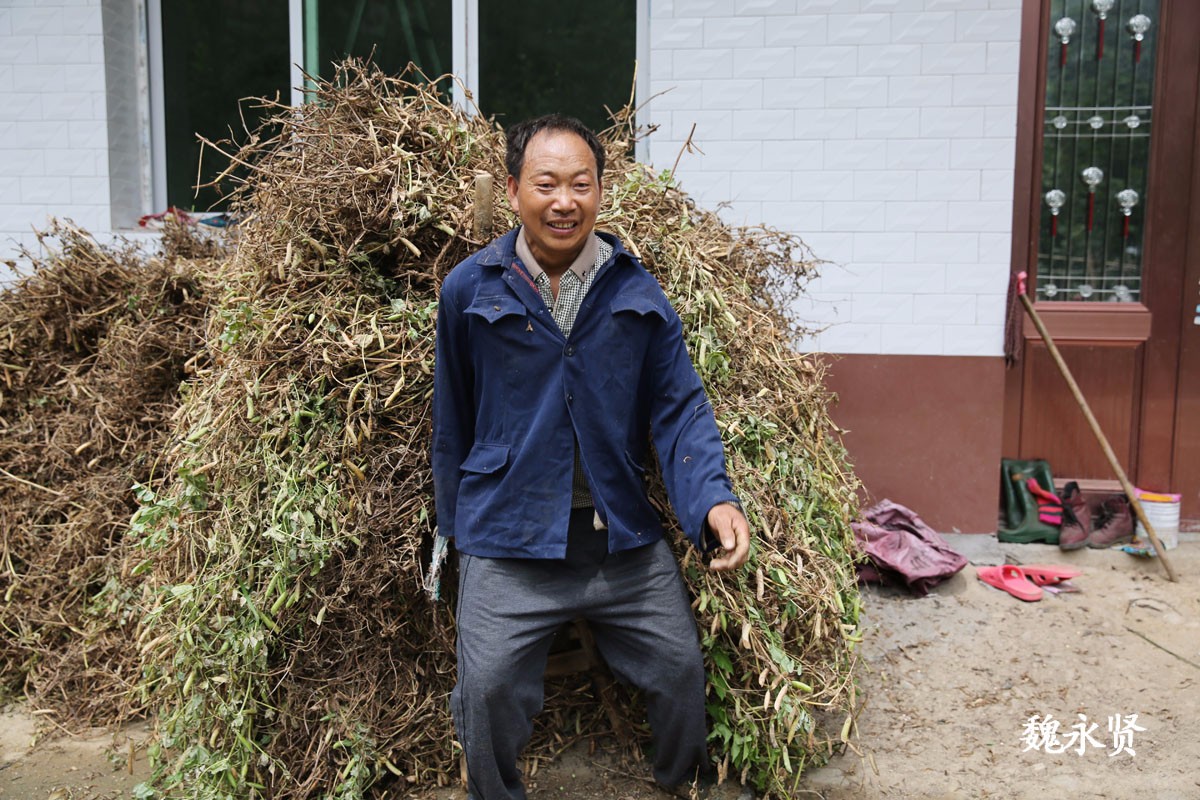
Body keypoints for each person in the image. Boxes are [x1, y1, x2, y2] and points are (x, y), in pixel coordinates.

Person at [431, 113, 750, 800]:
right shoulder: (469, 290)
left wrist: (714, 500)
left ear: (601, 192)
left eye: (581, 184)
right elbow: (452, 416)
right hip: (508, 539)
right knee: (484, 691)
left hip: (618, 541)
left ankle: (679, 784)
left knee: (678, 668)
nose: (564, 200)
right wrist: (457, 535)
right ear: (515, 190)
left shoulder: (636, 291)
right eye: (546, 183)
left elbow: (678, 408)